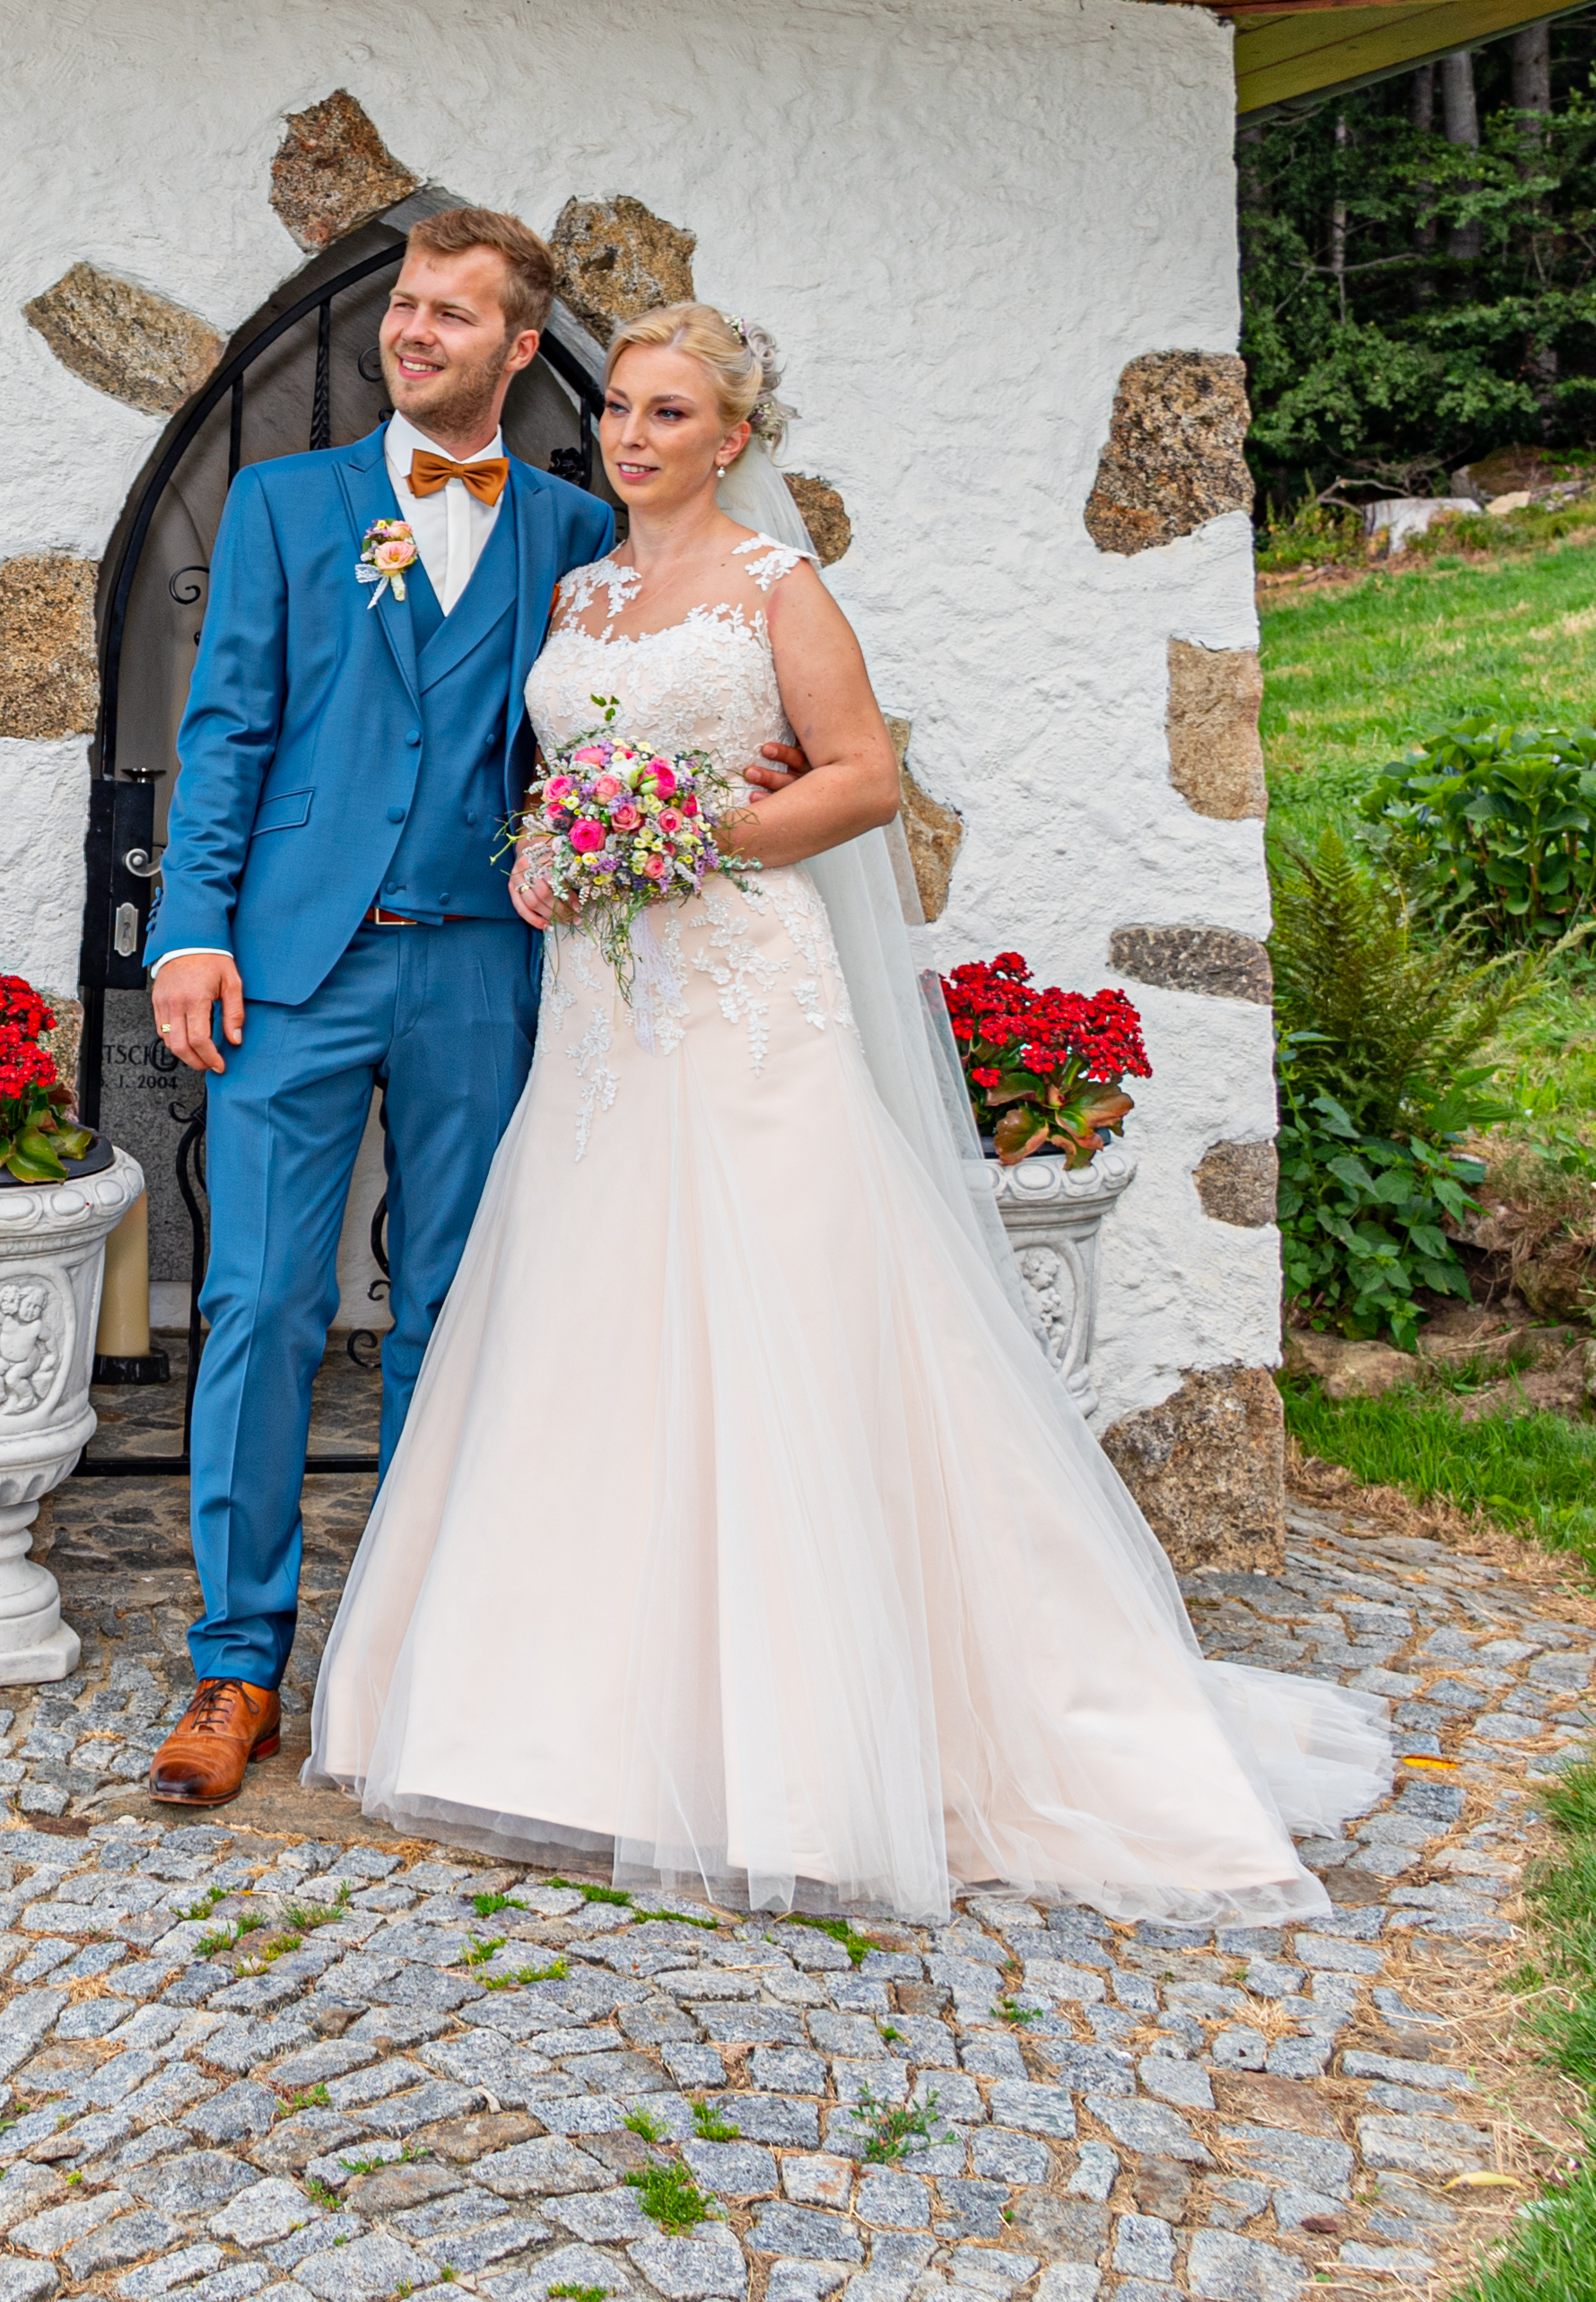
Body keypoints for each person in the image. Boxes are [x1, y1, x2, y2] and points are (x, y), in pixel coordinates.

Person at [301, 298, 1391, 1915]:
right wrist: (556, 853)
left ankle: (817, 1748)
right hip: (608, 1007)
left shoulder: (776, 588)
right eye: (623, 411)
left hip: (746, 993)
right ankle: (565, 1734)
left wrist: (681, 837)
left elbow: (863, 777)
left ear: (734, 440)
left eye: (674, 415)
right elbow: (559, 772)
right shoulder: (585, 590)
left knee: (786, 1322)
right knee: (594, 1327)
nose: (636, 435)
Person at [131, 206, 630, 1811]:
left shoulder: (571, 534)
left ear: (521, 350)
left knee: (450, 1312)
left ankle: (415, 1646)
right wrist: (193, 929)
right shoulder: (286, 507)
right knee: (261, 1302)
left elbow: (613, 736)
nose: (411, 333)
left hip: (488, 962)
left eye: (449, 316)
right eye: (403, 308)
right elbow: (226, 733)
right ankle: (237, 1663)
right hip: (295, 964)